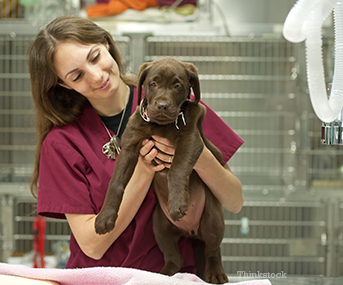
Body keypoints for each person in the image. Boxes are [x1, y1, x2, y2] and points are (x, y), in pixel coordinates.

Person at [28, 15, 244, 273]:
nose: (96, 76)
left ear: (106, 43)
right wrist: (143, 170)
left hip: (175, 276)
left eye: (95, 57)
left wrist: (199, 157)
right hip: (105, 277)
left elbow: (235, 201)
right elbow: (92, 245)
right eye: (77, 75)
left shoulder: (180, 107)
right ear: (64, 84)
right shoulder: (61, 142)